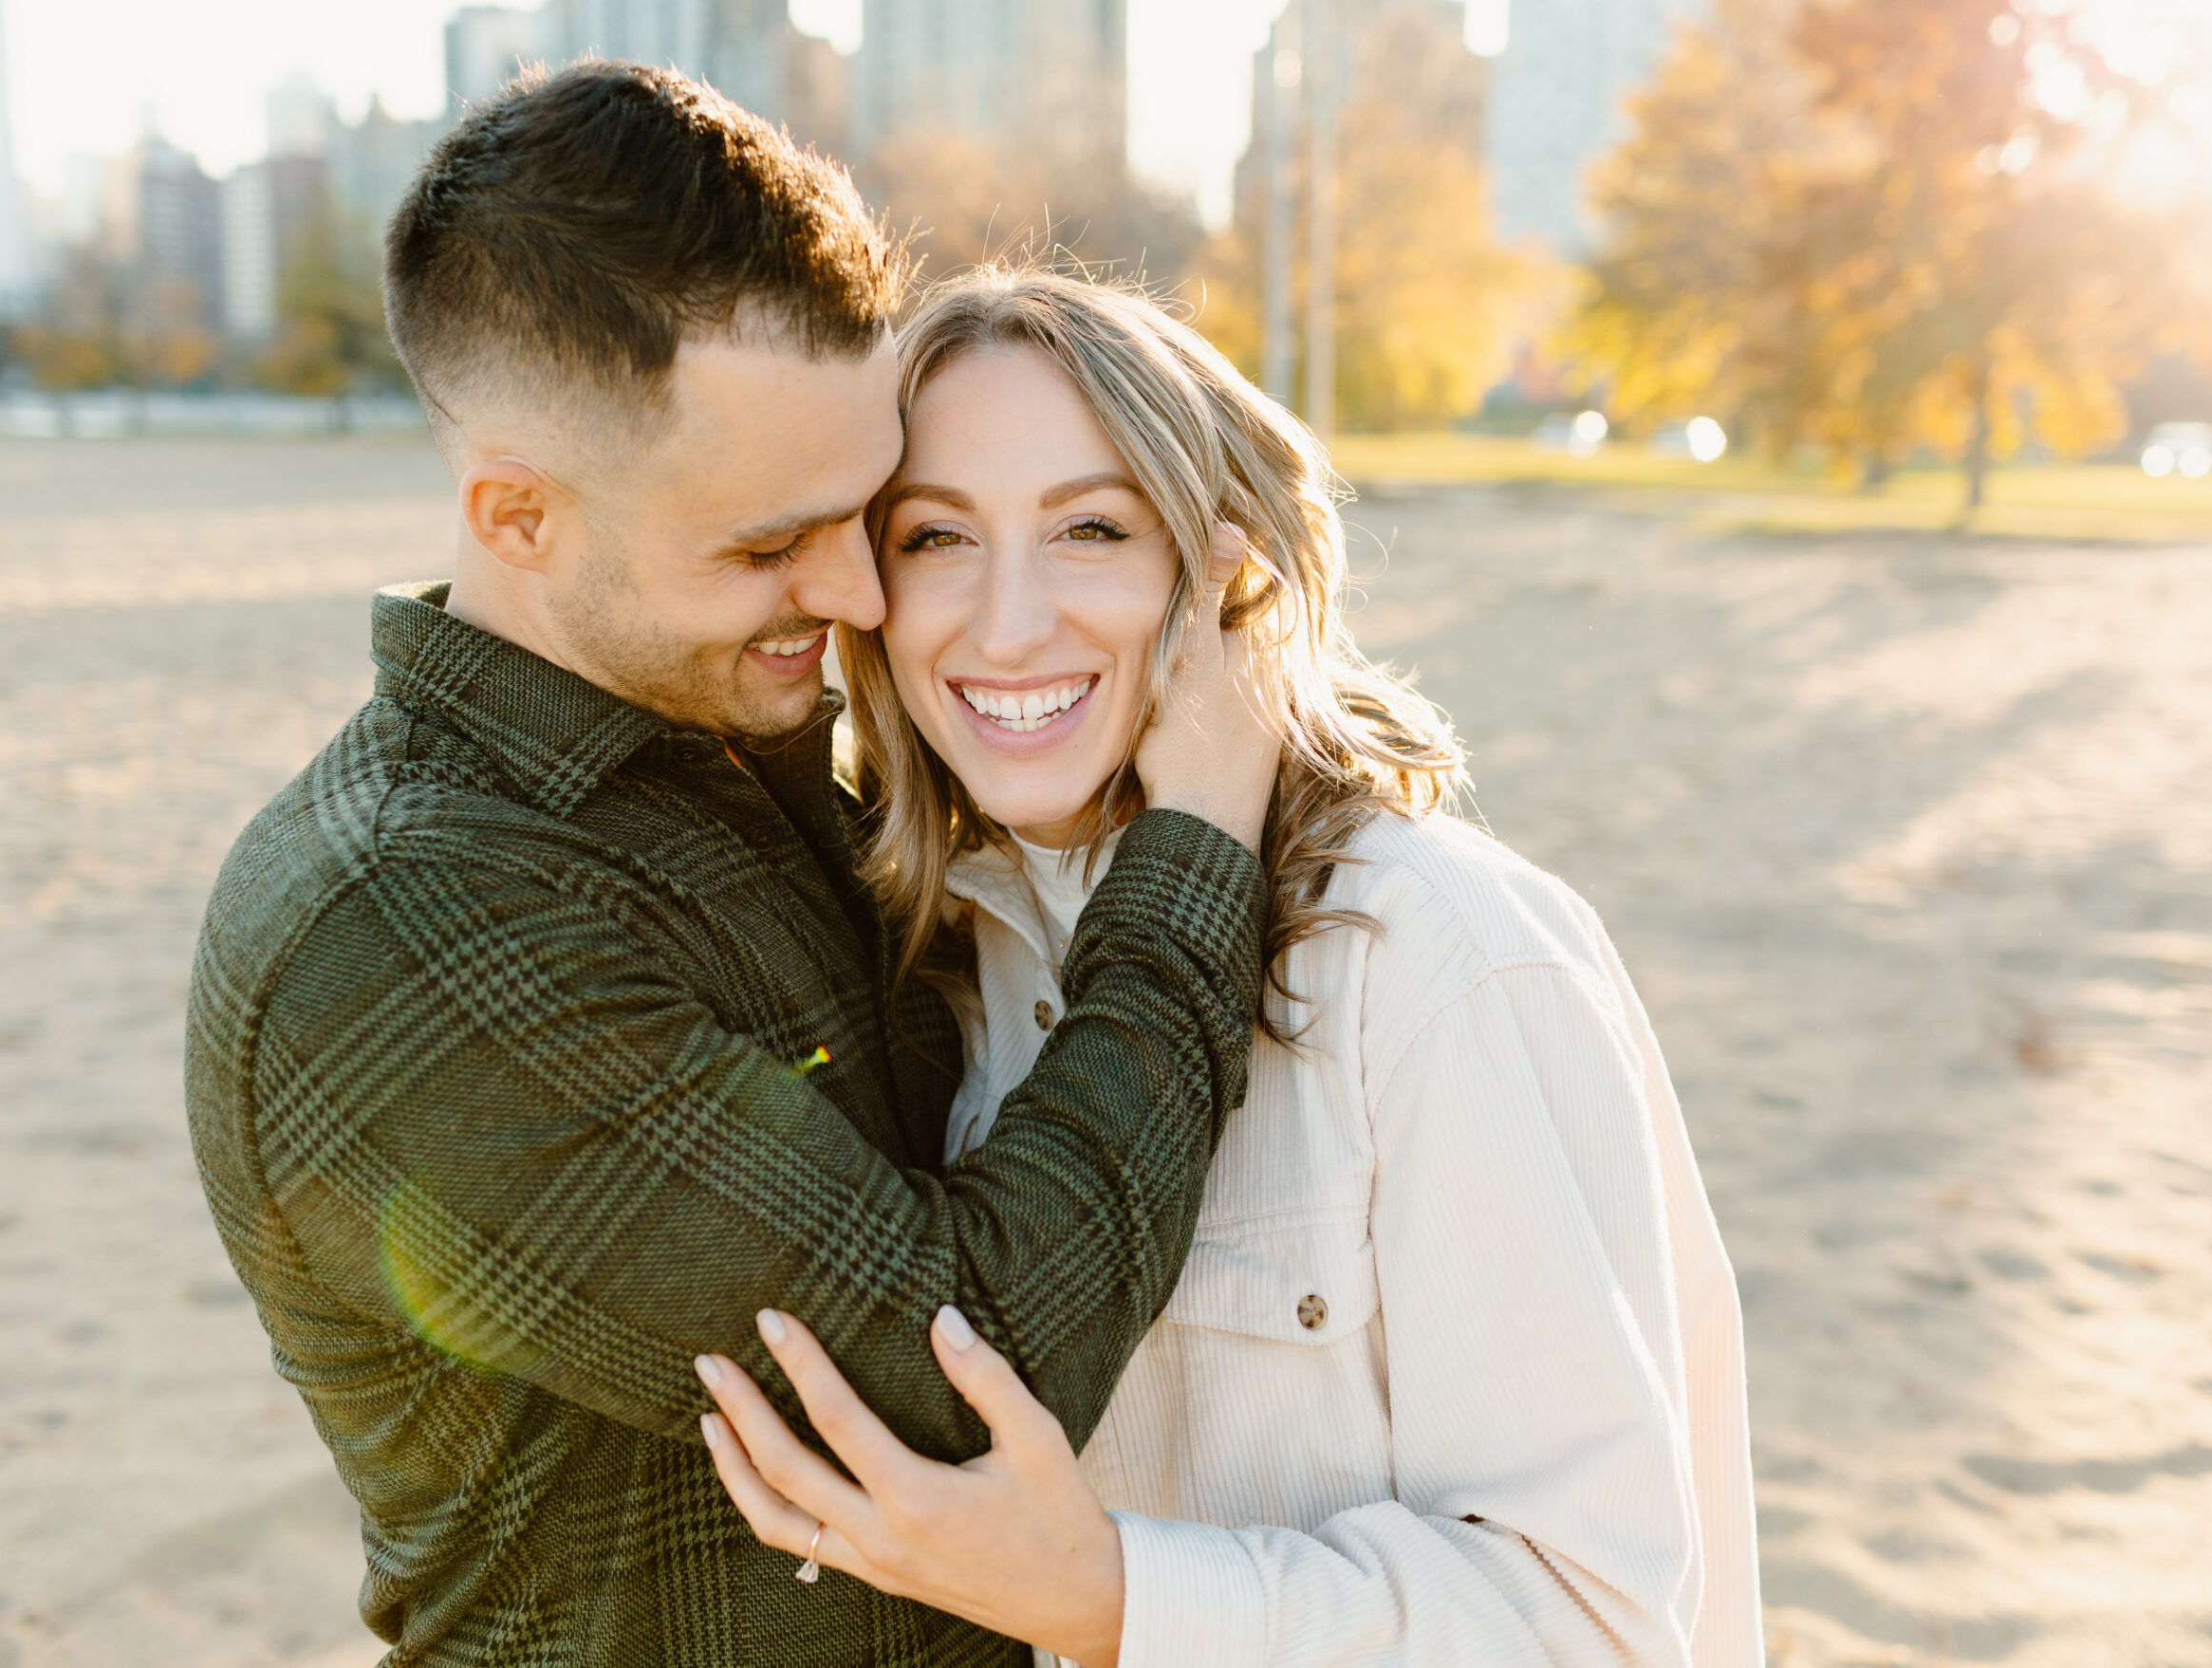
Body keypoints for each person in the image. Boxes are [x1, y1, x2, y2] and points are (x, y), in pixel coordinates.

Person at [184, 67, 1283, 1667]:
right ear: (518, 515)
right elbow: (968, 1373)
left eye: (865, 512)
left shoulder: (743, 745)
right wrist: (1190, 855)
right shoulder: (401, 921)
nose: (848, 592)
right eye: (768, 544)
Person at [692, 269, 1766, 1668]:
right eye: (939, 536)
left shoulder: (1443, 957)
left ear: (1230, 574)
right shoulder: (936, 966)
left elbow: (1597, 1626)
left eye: (1091, 528)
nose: (1007, 625)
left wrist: (1111, 1597)